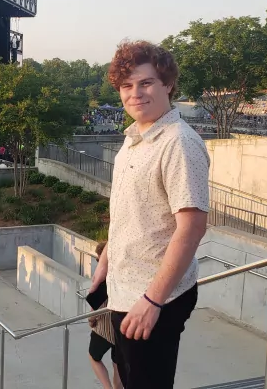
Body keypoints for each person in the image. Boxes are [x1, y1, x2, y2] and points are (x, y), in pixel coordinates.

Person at [91, 41, 209, 388]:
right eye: (127, 86)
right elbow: (127, 214)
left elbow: (191, 228)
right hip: (124, 292)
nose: (135, 93)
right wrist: (106, 262)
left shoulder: (179, 143)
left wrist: (152, 300)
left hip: (154, 298)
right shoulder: (134, 139)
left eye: (146, 83)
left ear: (167, 84)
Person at [88, 242, 122, 389]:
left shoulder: (103, 278)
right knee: (117, 364)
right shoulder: (123, 273)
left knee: (93, 357)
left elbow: (94, 309)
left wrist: (91, 320)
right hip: (122, 326)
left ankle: (107, 387)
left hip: (104, 328)